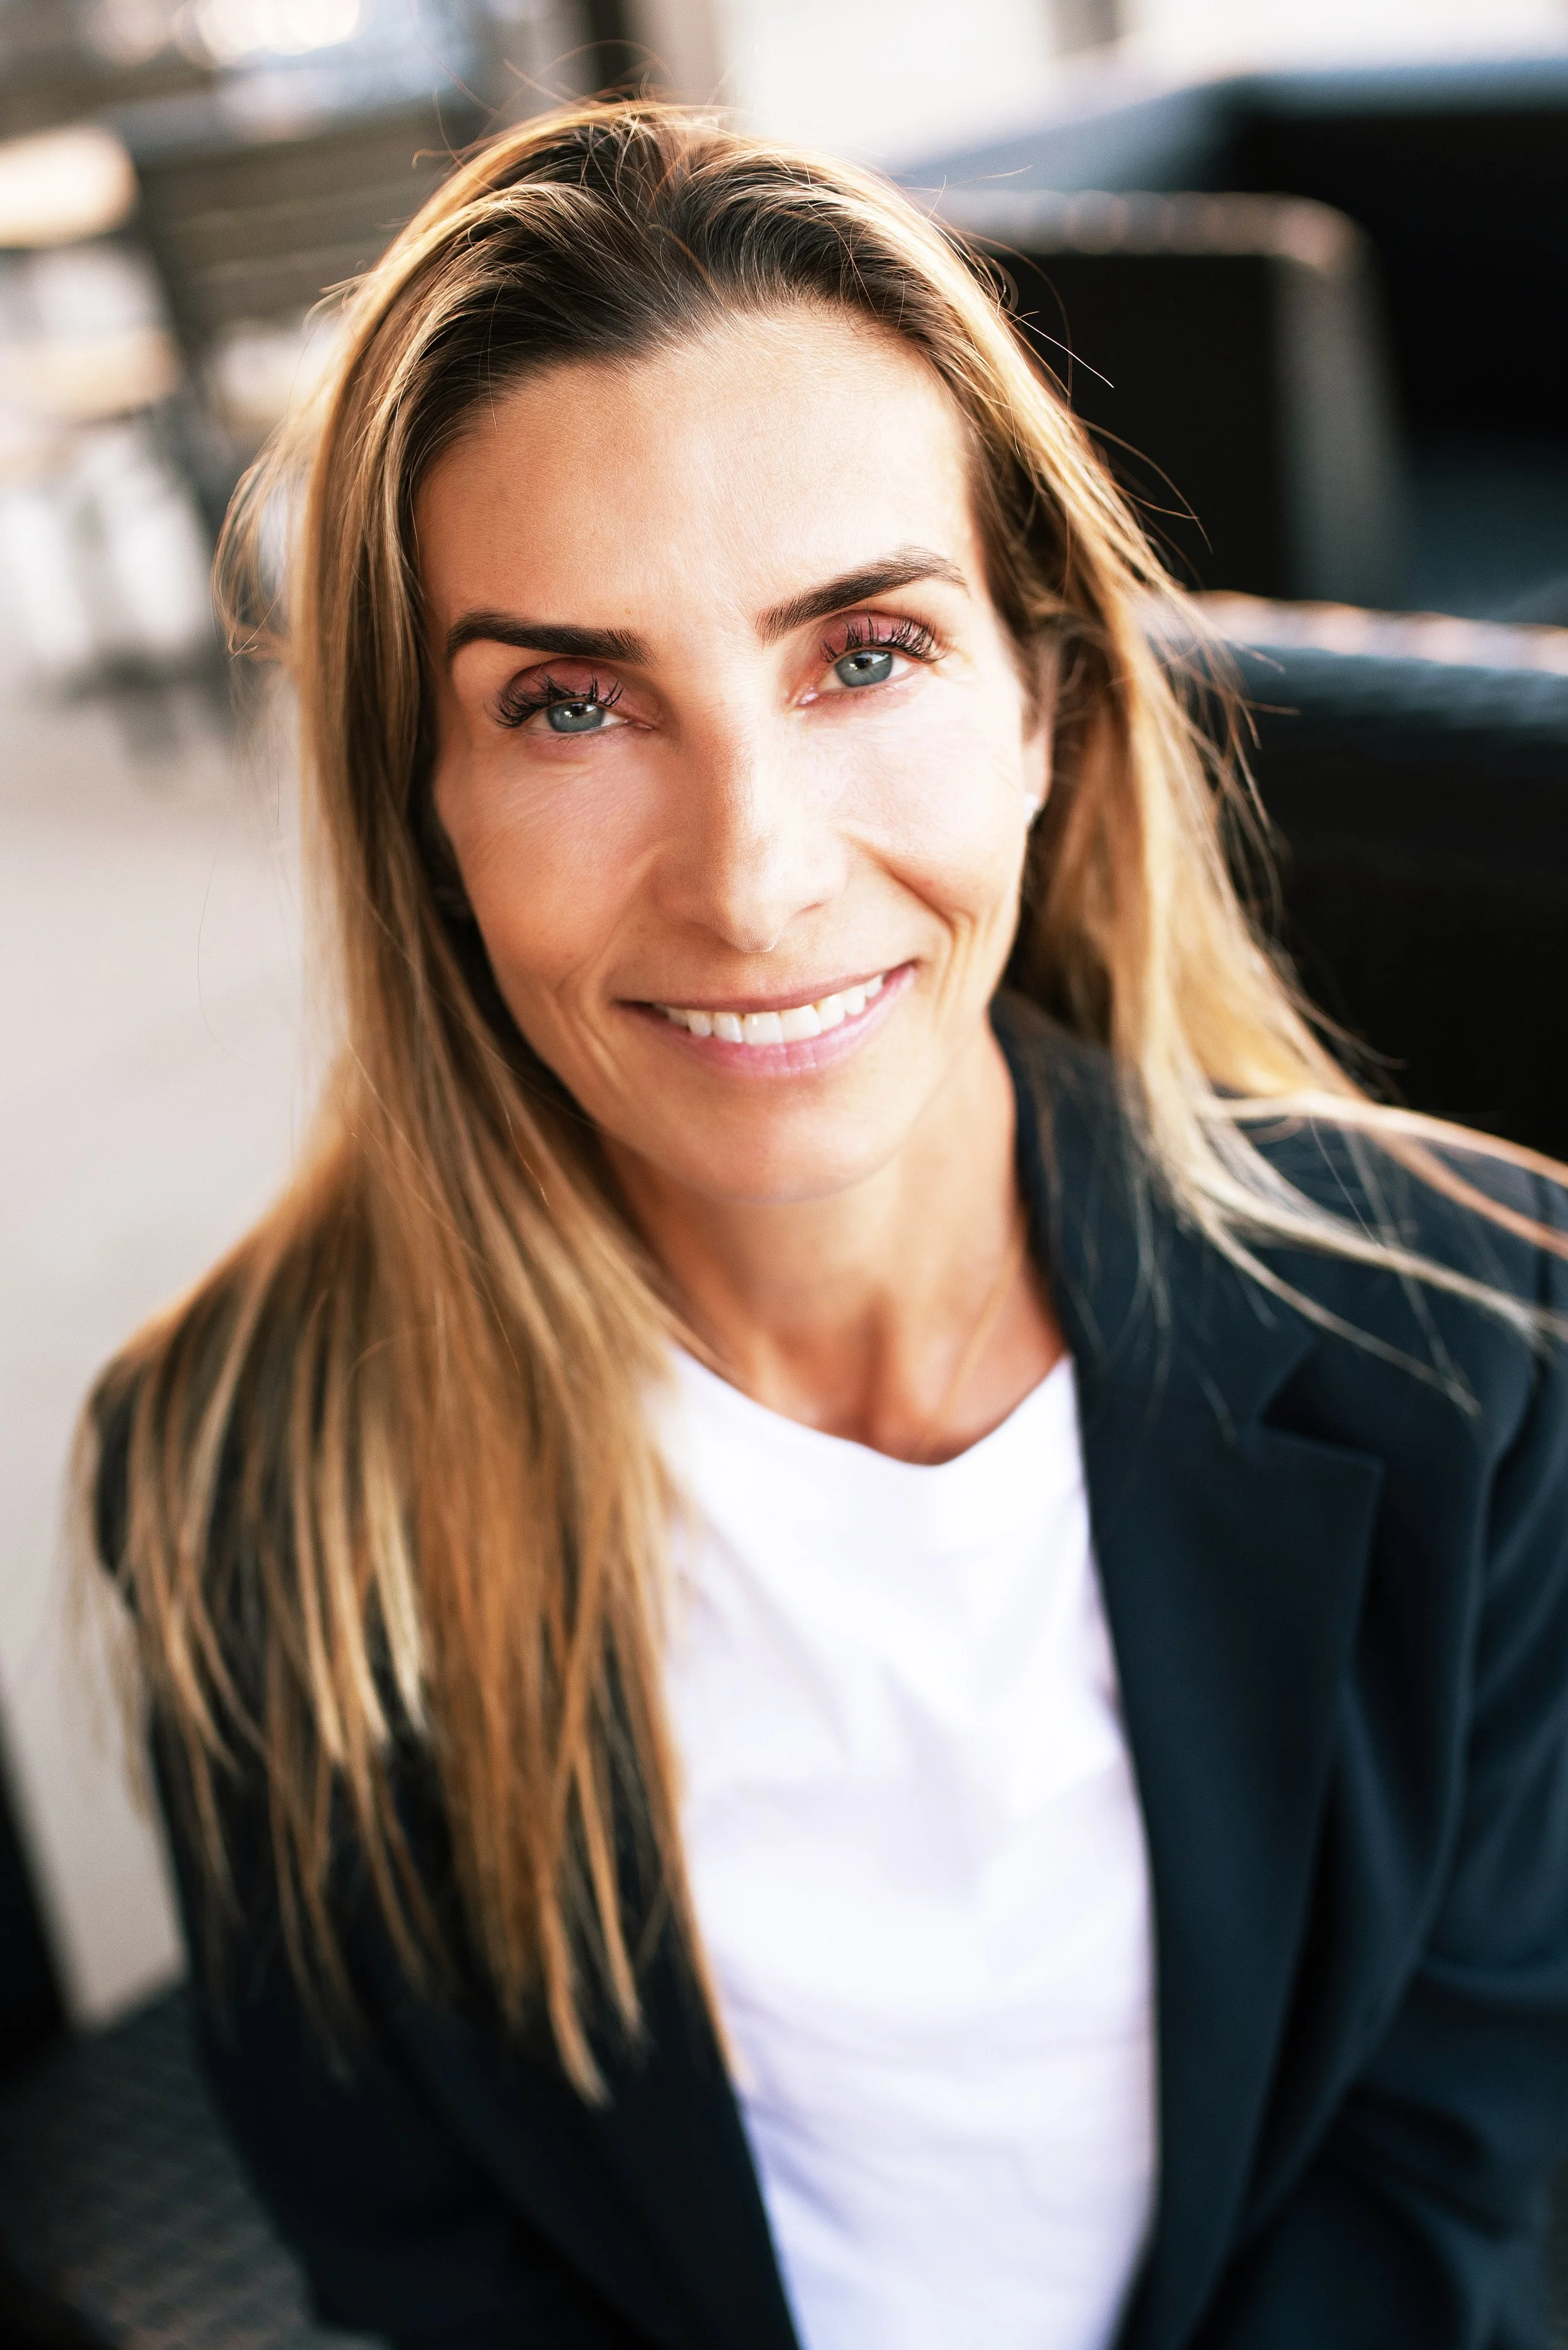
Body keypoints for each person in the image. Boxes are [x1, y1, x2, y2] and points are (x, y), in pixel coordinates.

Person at [87, 101, 1568, 2350]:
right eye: (571, 703)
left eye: (862, 652)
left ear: (1045, 706)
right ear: (427, 813)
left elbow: (1442, 2143)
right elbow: (421, 2259)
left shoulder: (1486, 1345)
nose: (754, 879)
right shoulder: (245, 1476)